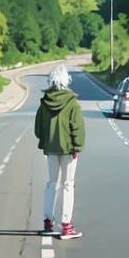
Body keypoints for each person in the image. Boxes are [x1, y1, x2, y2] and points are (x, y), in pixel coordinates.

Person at [34, 63, 85, 239]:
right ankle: (66, 226)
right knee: (68, 184)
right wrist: (77, 146)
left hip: (51, 148)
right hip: (68, 149)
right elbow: (77, 127)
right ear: (66, 80)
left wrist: (45, 142)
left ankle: (48, 222)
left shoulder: (44, 103)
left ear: (51, 80)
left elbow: (38, 129)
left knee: (51, 184)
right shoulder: (72, 102)